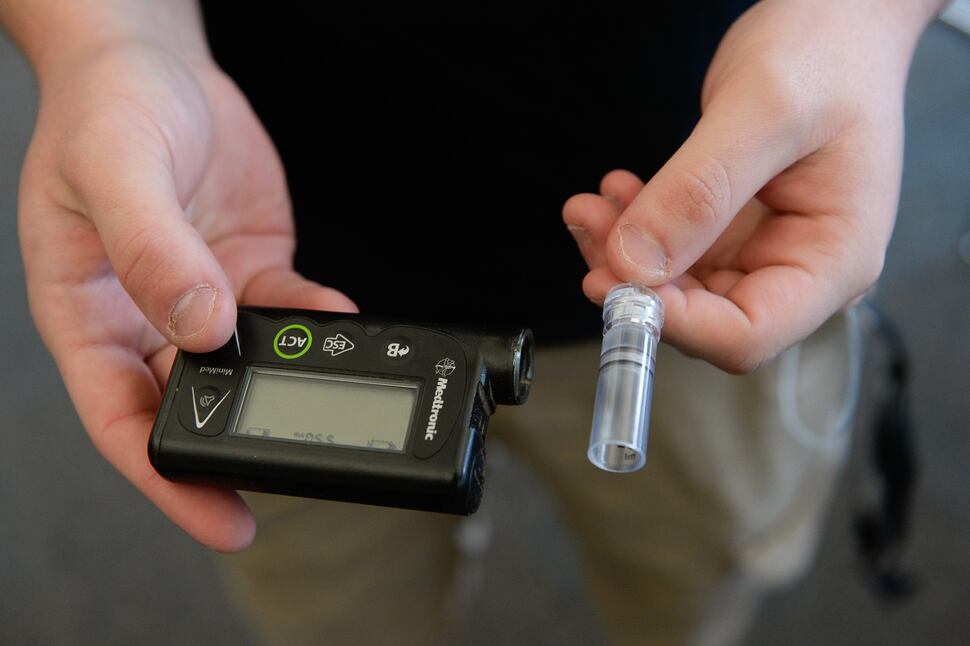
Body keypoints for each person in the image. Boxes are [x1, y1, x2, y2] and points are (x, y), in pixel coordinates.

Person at [0, 1, 947, 644]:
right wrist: (107, 39)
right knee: (341, 615)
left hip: (729, 238)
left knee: (692, 577)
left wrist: (859, 21)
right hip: (254, 257)